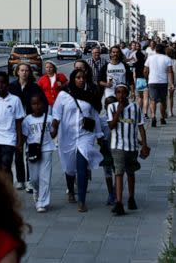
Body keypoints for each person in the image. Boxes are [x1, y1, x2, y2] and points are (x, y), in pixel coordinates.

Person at [51, 69, 104, 212]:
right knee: (69, 167)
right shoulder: (63, 95)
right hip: (67, 136)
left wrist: (99, 136)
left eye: (83, 78)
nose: (81, 80)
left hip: (85, 136)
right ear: (73, 79)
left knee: (82, 165)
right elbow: (56, 114)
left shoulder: (90, 96)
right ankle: (70, 189)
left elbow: (95, 116)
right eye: (78, 78)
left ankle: (82, 200)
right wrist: (54, 127)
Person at [107, 84, 148, 216]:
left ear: (127, 94)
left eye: (123, 92)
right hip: (117, 146)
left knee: (131, 172)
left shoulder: (135, 107)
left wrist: (144, 144)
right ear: (115, 94)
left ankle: (131, 197)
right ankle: (119, 203)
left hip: (132, 146)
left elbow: (141, 126)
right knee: (118, 173)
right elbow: (111, 126)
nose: (121, 95)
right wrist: (118, 111)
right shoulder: (111, 107)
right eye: (118, 93)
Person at [9, 63, 47, 193]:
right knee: (18, 151)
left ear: (29, 73)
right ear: (17, 72)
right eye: (22, 70)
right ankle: (20, 180)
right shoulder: (12, 87)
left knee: (30, 152)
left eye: (26, 70)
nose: (24, 73)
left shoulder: (34, 87)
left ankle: (30, 180)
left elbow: (43, 103)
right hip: (17, 124)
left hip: (31, 122)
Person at [20, 95, 55, 213]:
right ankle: (36, 191)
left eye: (39, 103)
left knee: (45, 177)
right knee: (34, 178)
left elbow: (53, 135)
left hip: (46, 148)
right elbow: (24, 136)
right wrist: (20, 147)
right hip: (32, 150)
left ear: (43, 105)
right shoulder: (27, 120)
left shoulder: (49, 119)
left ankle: (42, 202)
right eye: (34, 104)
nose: (37, 106)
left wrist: (56, 127)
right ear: (31, 106)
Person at [144, 44, 174, 127]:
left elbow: (145, 71)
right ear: (164, 50)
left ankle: (153, 116)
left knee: (152, 100)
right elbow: (170, 72)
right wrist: (171, 83)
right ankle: (162, 117)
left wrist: (147, 79)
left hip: (152, 81)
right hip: (163, 82)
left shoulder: (150, 58)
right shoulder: (167, 59)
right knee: (163, 100)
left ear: (155, 50)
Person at [99, 96, 118, 206]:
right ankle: (111, 193)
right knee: (107, 172)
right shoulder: (102, 120)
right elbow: (98, 134)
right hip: (106, 148)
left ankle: (116, 190)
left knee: (118, 171)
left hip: (117, 147)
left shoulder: (120, 118)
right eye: (108, 105)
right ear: (105, 107)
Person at [166, 46, 176, 117]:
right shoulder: (175, 62)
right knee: (171, 97)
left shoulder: (164, 60)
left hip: (165, 80)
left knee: (165, 96)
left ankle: (165, 111)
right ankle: (170, 111)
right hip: (173, 80)